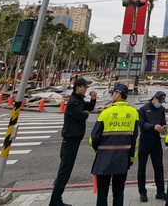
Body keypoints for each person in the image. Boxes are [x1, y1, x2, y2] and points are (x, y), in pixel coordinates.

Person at [50, 77, 97, 206]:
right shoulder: (73, 102)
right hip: (70, 140)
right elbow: (83, 115)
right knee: (64, 171)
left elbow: (89, 109)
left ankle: (57, 199)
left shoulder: (79, 100)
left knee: (66, 171)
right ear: (78, 88)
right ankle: (55, 200)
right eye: (85, 87)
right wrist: (85, 112)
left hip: (74, 140)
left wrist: (93, 100)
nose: (86, 89)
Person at [90, 83, 138, 206]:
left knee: (102, 194)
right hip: (122, 160)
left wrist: (98, 151)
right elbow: (135, 140)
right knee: (118, 192)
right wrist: (131, 159)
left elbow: (93, 138)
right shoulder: (133, 113)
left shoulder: (106, 113)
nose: (112, 96)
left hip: (104, 159)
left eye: (113, 93)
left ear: (118, 94)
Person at [137, 91, 168, 202]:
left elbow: (163, 123)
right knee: (142, 168)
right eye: (159, 101)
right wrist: (153, 126)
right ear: (154, 98)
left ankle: (160, 191)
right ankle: (142, 192)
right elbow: (141, 124)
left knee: (159, 167)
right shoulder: (144, 109)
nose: (159, 103)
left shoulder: (161, 109)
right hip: (145, 141)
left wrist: (163, 129)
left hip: (156, 141)